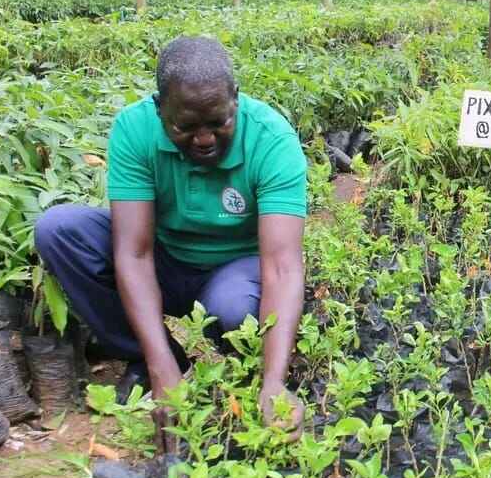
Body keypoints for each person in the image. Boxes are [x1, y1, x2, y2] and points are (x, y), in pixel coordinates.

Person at [35, 36, 307, 451]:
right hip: (163, 261)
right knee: (60, 230)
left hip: (234, 267)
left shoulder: (271, 139)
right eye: (185, 127)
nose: (204, 139)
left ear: (235, 100)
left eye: (218, 123)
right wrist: (160, 366)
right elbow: (134, 253)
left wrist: (274, 381)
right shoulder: (136, 129)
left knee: (232, 306)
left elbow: (282, 266)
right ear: (160, 108)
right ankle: (150, 356)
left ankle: (246, 364)